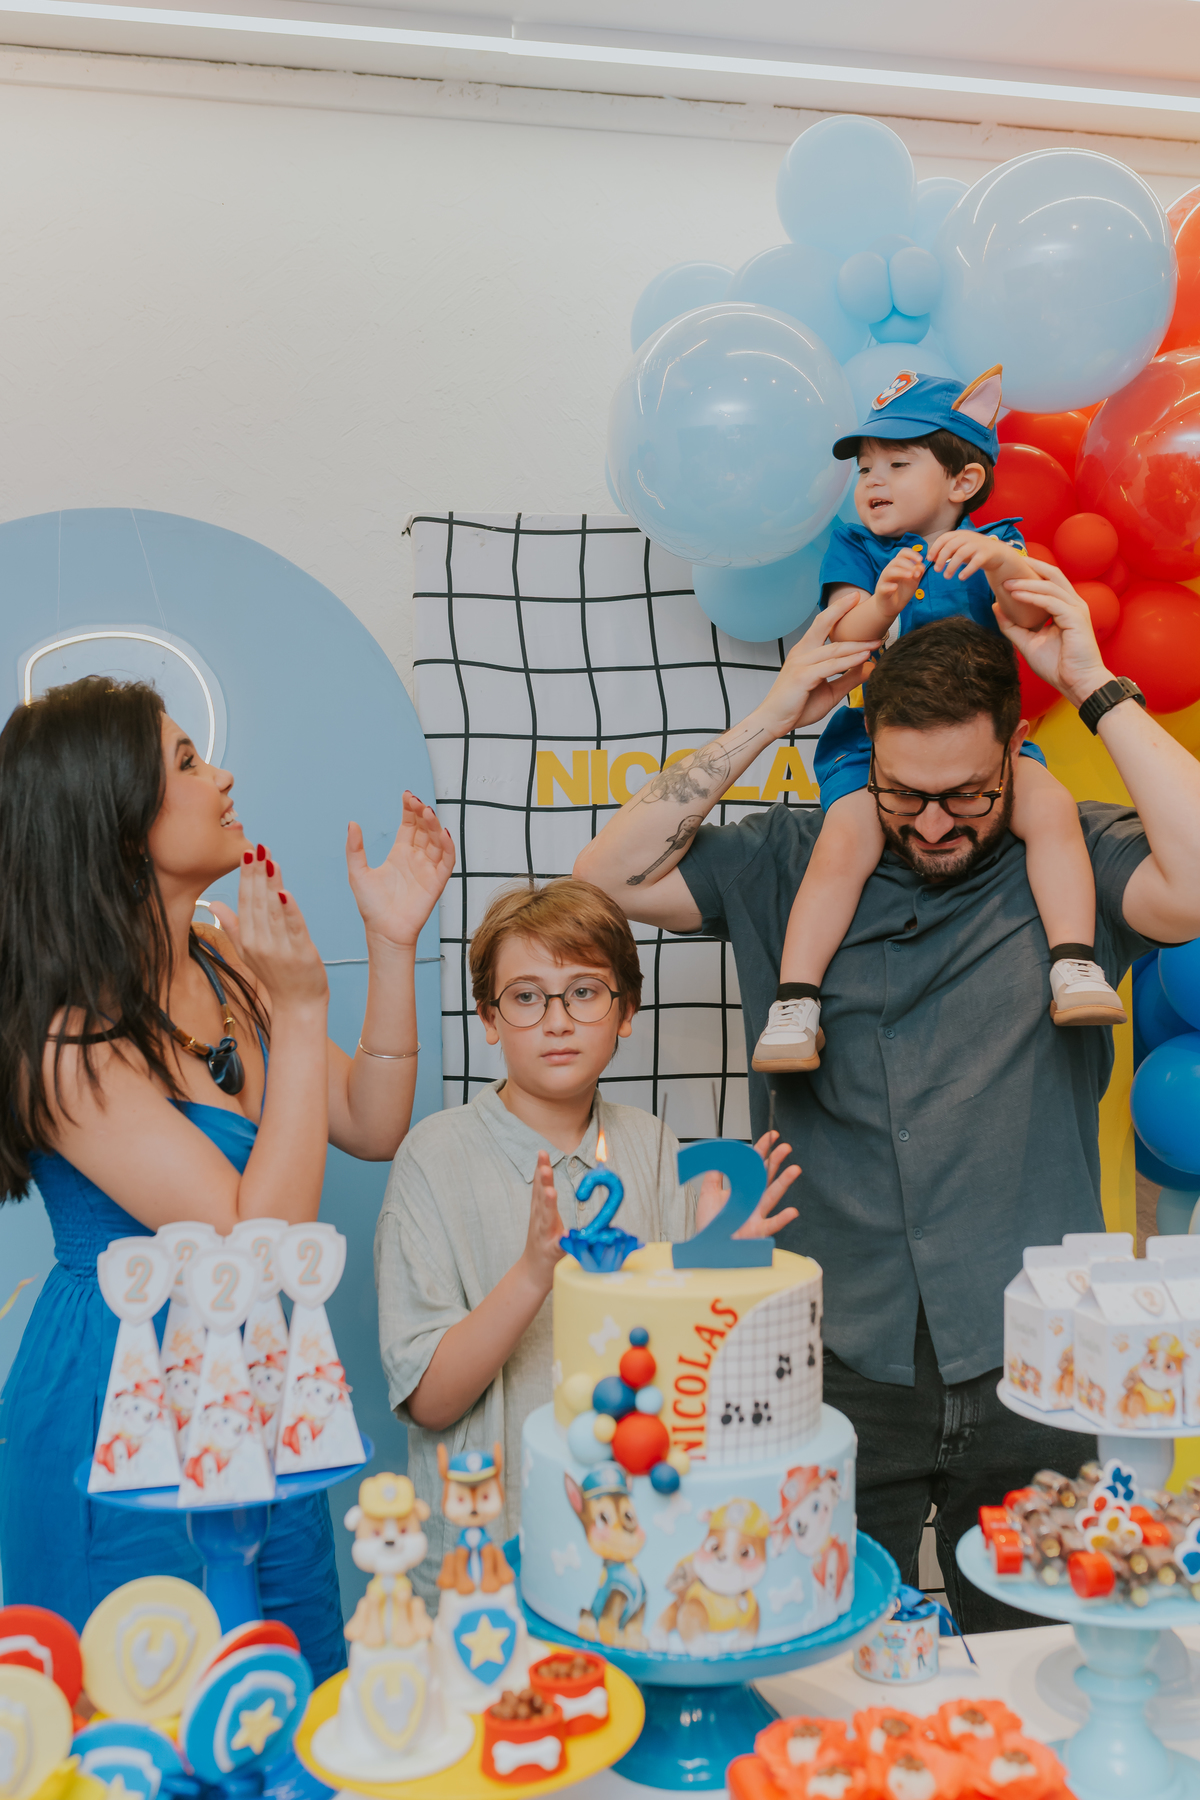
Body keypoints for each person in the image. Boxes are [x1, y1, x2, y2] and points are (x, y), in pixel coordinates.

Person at [574, 568, 1200, 1629]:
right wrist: (772, 716)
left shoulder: (1070, 859)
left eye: (967, 792)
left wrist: (1092, 680)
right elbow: (604, 878)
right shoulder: (792, 858)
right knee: (816, 1662)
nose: (935, 822)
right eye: (904, 795)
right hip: (838, 1362)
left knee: (1039, 1668)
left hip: (1035, 1364)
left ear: (1013, 753)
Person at [0, 675, 454, 1677]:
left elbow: (370, 1122)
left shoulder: (220, 956)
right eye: (188, 762)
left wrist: (389, 944)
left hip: (256, 1384)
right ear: (117, 822)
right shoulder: (64, 1042)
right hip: (119, 1408)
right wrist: (296, 1016)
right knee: (150, 1710)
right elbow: (254, 1246)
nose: (224, 774)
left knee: (283, 1686)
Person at [373, 877, 799, 1609]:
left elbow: (685, 1368)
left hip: (636, 1540)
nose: (558, 1020)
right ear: (488, 1018)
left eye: (585, 992)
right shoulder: (433, 1158)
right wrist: (535, 1271)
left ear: (626, 1011)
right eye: (527, 996)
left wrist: (713, 1272)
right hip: (488, 1560)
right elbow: (433, 1401)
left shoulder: (652, 1145)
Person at [753, 365, 1122, 1075]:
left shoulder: (996, 542)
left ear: (963, 484)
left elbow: (1025, 620)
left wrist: (995, 566)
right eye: (865, 468)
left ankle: (1074, 964)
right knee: (847, 835)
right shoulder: (859, 548)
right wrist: (883, 603)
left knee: (1049, 809)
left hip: (981, 751)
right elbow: (842, 637)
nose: (873, 482)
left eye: (896, 463)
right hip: (872, 749)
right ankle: (796, 1002)